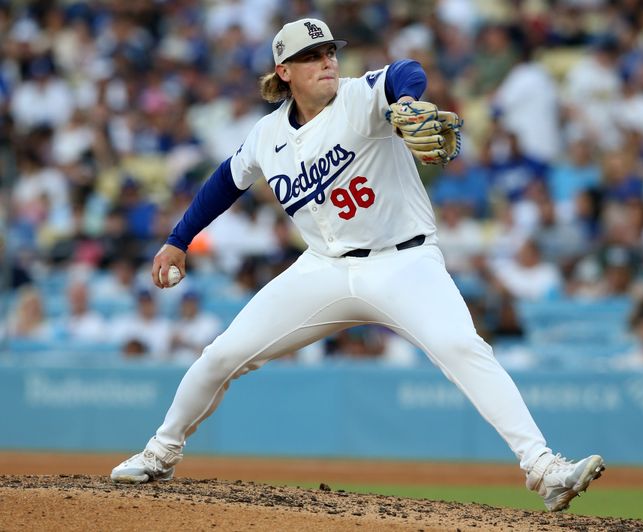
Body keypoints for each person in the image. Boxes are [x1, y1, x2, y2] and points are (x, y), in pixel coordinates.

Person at [110, 18, 604, 512]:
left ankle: (543, 468)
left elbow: (404, 72)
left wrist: (408, 102)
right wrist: (179, 239)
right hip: (322, 269)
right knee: (220, 355)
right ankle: (160, 452)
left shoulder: (361, 97)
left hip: (403, 262)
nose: (327, 61)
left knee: (461, 346)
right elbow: (225, 180)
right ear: (284, 71)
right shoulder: (266, 136)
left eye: (329, 52)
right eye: (312, 55)